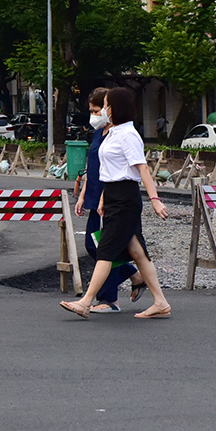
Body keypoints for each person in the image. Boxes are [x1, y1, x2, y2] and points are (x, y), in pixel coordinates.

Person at [61, 86, 171, 320]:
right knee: (138, 253)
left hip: (125, 198)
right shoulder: (112, 133)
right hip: (112, 196)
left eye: (107, 105)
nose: (104, 110)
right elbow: (109, 170)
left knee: (106, 251)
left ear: (116, 108)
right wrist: (102, 198)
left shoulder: (129, 135)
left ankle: (86, 301)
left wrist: (155, 200)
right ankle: (160, 302)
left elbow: (142, 169)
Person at [73, 89, 138, 313]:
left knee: (102, 248)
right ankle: (133, 274)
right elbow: (93, 165)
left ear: (109, 108)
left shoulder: (117, 133)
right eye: (91, 111)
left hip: (109, 196)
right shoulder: (99, 132)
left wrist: (100, 197)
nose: (93, 115)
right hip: (94, 194)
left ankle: (109, 299)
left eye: (96, 110)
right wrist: (82, 194)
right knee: (96, 246)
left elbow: (112, 170)